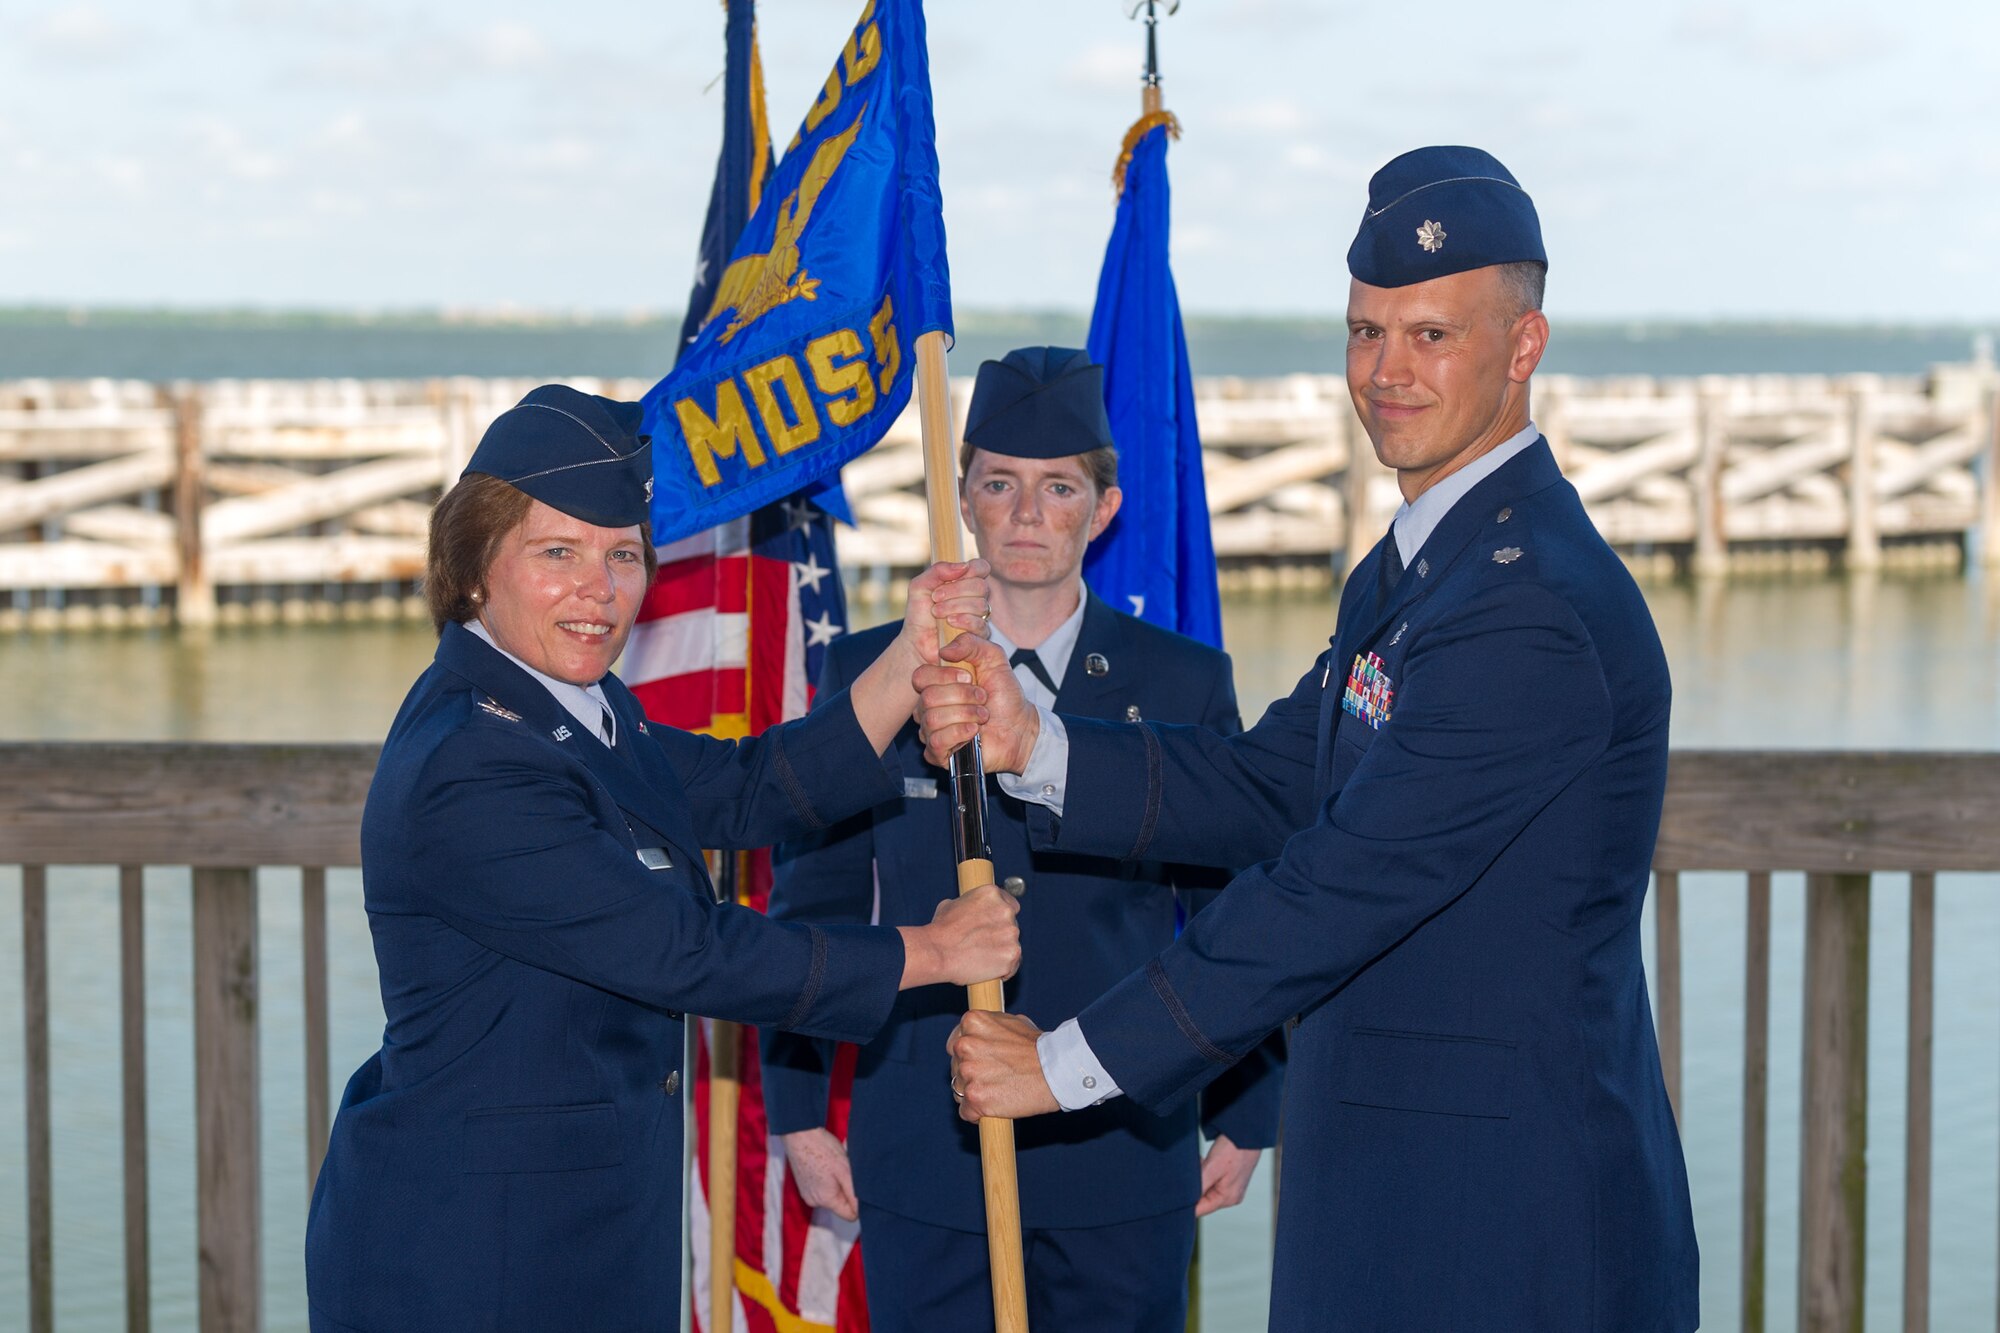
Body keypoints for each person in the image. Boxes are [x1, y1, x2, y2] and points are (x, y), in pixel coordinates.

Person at [924, 148, 1701, 1331]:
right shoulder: (1418, 567)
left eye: (1429, 336)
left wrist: (1070, 1061)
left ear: (1523, 346)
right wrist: (1035, 739)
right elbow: (1274, 780)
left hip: (1504, 1234)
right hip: (1392, 1204)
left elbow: (1335, 884)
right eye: (1364, 332)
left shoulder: (1527, 604)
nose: (1384, 372)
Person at [303, 385, 1022, 1333]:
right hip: (475, 1252)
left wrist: (905, 658)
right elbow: (684, 949)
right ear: (475, 568)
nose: (598, 590)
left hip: (578, 1233)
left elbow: (750, 785)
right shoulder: (472, 761)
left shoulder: (577, 708)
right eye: (557, 552)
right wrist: (929, 953)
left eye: (624, 556)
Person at [760, 347, 1285, 1333]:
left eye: (1058, 488)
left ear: (1106, 506)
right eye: (999, 483)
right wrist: (794, 1106)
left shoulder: (1180, 684)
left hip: (1120, 1142)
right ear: (962, 495)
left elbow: (1230, 910)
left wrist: (1248, 1109)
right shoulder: (872, 671)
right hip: (923, 1143)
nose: (1028, 511)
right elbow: (815, 903)